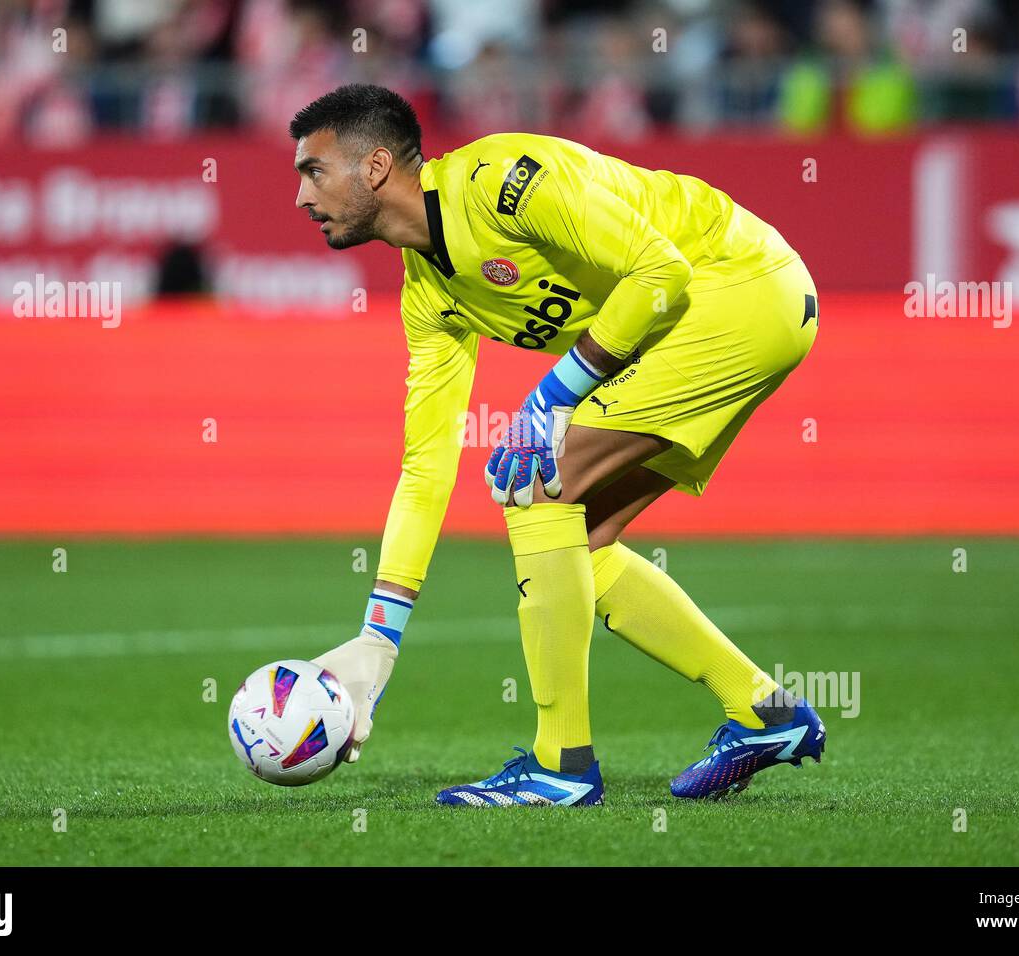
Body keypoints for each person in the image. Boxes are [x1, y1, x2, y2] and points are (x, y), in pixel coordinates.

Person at [294, 84, 825, 807]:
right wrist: (378, 637)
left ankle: (561, 766)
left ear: (377, 166)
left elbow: (660, 272)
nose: (301, 195)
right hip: (724, 318)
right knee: (583, 538)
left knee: (537, 482)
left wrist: (554, 393)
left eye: (314, 170)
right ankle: (764, 712)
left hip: (738, 287)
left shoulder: (504, 182)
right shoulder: (428, 294)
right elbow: (425, 467)